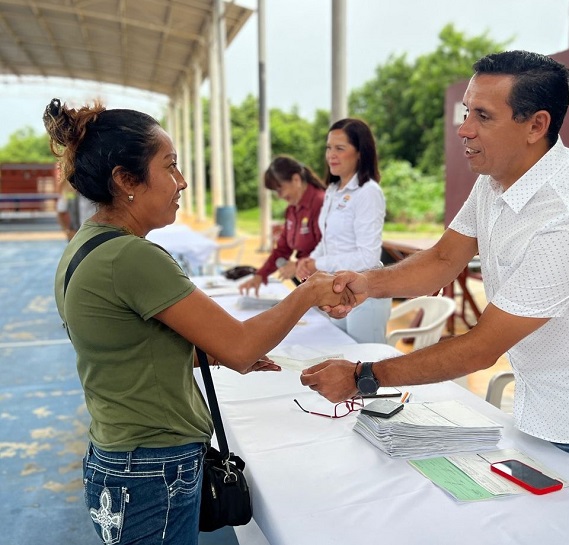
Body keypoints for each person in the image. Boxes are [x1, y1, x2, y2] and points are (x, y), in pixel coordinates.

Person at [300, 51, 569, 486]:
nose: (464, 129)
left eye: (483, 116)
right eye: (468, 111)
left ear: (536, 125)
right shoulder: (494, 178)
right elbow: (443, 259)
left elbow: (481, 347)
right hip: (538, 399)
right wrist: (365, 283)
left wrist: (363, 377)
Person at [43, 98, 353, 545]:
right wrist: (307, 293)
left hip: (120, 458)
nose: (181, 181)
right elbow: (242, 344)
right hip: (152, 467)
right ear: (126, 180)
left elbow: (130, 349)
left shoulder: (84, 247)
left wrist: (215, 353)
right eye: (169, 167)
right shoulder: (130, 257)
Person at [296, 118, 392, 344]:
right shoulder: (332, 190)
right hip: (337, 291)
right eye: (329, 148)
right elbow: (328, 240)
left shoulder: (368, 192)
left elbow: (368, 257)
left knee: (364, 366)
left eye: (340, 148)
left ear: (360, 153)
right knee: (338, 356)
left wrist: (318, 265)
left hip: (366, 295)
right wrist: (310, 259)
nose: (331, 155)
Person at [239, 155, 325, 295]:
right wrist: (260, 276)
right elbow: (282, 249)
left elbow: (329, 250)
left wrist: (298, 265)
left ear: (296, 179)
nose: (279, 196)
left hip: (329, 284)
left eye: (280, 189)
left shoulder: (320, 203)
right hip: (310, 284)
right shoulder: (292, 209)